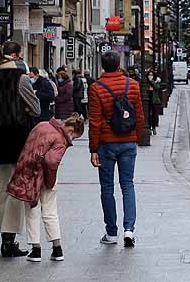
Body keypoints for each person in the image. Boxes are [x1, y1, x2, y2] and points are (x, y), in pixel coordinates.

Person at [0, 42, 41, 257]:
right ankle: (9, 239)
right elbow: (35, 108)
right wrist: (24, 107)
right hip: (18, 140)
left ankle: (5, 239)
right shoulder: (22, 79)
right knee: (16, 189)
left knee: (2, 190)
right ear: (17, 57)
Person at [9, 113, 86, 262]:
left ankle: (36, 249)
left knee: (32, 210)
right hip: (45, 177)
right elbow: (51, 162)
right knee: (50, 211)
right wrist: (50, 182)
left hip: (28, 175)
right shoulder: (60, 139)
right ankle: (57, 248)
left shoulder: (41, 125)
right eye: (74, 137)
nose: (72, 140)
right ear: (70, 130)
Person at [89, 50, 146, 247]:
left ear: (103, 66)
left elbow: (95, 121)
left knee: (107, 187)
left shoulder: (96, 87)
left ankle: (111, 232)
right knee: (127, 185)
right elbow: (139, 115)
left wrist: (93, 148)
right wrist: (136, 137)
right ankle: (129, 230)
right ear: (119, 64)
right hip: (128, 141)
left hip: (106, 143)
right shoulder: (133, 85)